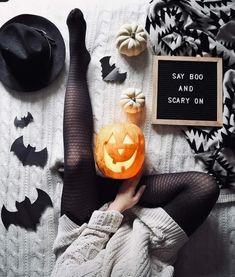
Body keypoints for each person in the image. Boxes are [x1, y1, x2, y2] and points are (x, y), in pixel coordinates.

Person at [51, 8, 220, 277]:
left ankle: (78, 63)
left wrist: (117, 206)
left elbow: (67, 267)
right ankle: (104, 187)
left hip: (84, 239)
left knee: (77, 161)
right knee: (205, 186)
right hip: (143, 245)